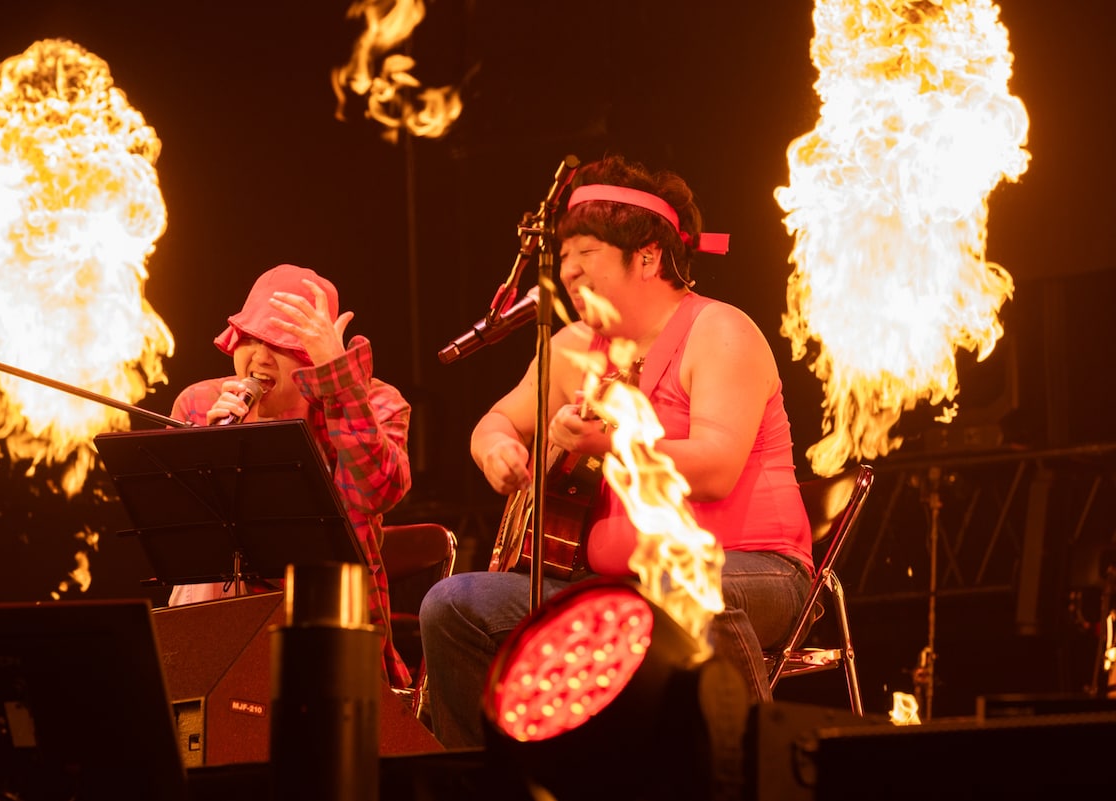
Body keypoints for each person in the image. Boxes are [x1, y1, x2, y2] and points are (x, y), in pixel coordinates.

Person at [418, 154, 813, 747]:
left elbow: (714, 468)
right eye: (564, 255)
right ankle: (495, 782)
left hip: (751, 567)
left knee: (675, 587)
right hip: (615, 584)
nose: (569, 270)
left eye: (587, 251)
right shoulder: (573, 347)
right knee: (453, 606)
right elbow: (497, 421)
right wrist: (497, 448)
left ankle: (750, 773)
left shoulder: (719, 331)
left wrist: (610, 443)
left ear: (648, 257)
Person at [167, 263, 413, 688]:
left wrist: (339, 384)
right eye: (251, 338)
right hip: (222, 611)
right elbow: (172, 534)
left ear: (314, 353)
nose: (260, 358)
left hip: (329, 622)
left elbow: (378, 491)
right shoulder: (201, 402)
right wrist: (218, 447)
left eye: (280, 344)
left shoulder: (375, 401)